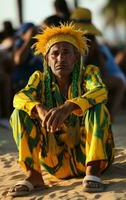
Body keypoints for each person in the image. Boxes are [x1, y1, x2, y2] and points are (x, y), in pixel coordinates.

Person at [8, 23, 114, 197]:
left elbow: (100, 91)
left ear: (76, 56)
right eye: (55, 54)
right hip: (56, 163)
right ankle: (34, 176)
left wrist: (69, 106)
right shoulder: (39, 79)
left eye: (66, 53)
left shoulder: (88, 72)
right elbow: (19, 98)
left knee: (97, 107)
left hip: (93, 160)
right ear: (47, 59)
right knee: (19, 112)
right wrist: (38, 108)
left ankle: (92, 172)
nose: (60, 59)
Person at [70, 7, 126, 119]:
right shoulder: (88, 44)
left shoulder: (91, 45)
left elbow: (100, 67)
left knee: (118, 82)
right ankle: (109, 117)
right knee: (119, 83)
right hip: (84, 78)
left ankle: (109, 117)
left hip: (86, 77)